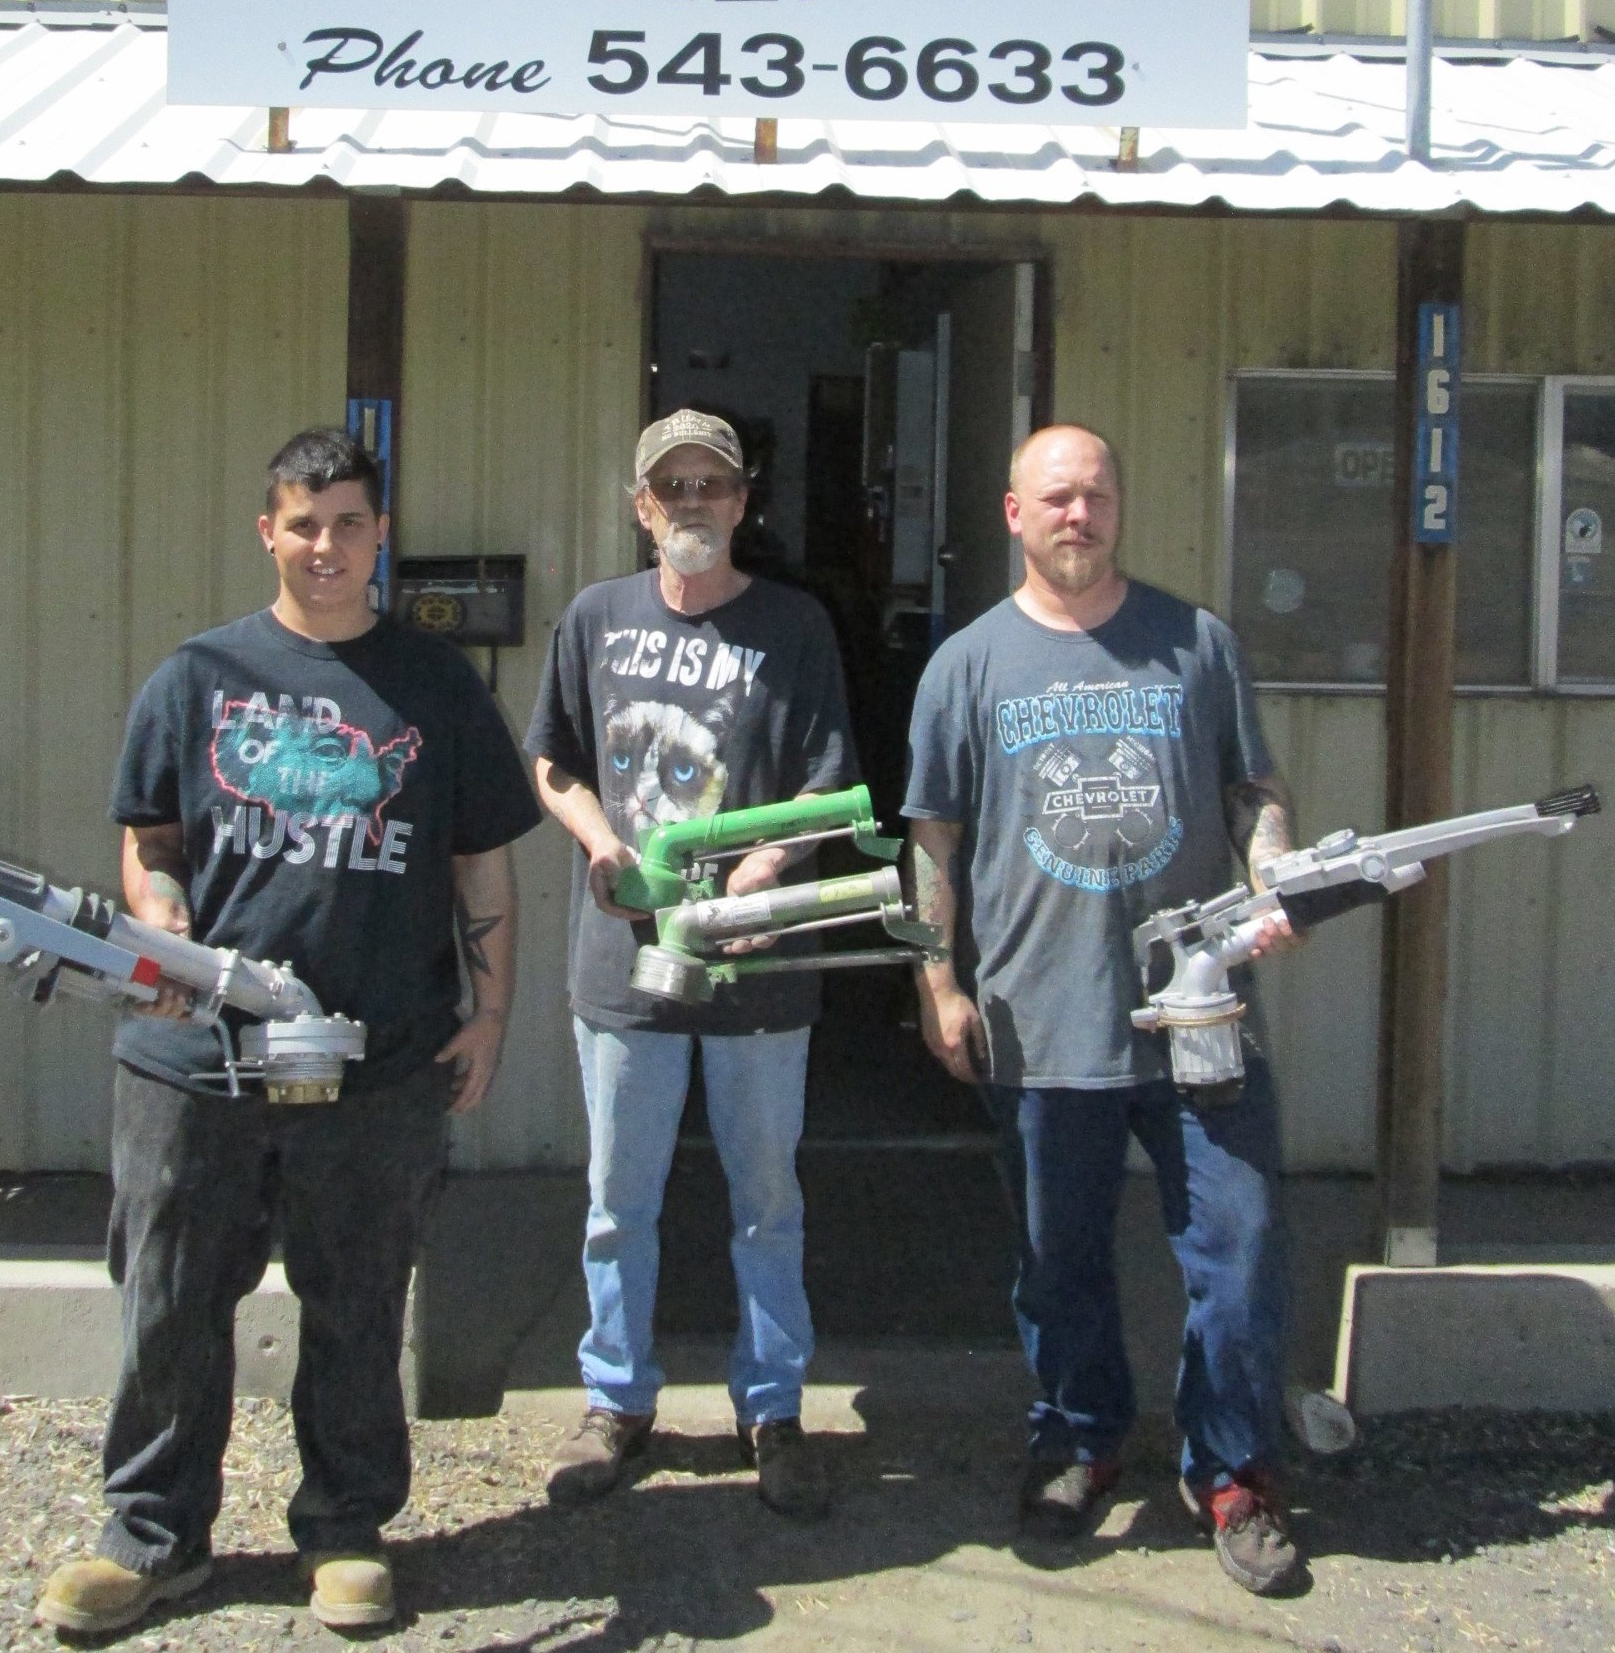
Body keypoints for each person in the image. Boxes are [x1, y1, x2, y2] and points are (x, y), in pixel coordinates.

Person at [35, 427, 539, 1636]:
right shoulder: (197, 677)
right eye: (304, 523)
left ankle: (346, 1528)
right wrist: (159, 928)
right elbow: (151, 841)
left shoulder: (437, 688)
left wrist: (491, 1013)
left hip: (377, 1062)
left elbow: (482, 863)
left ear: (380, 534)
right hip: (191, 1063)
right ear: (268, 531)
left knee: (358, 1296)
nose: (327, 545)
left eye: (349, 522)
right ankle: (152, 1534)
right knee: (169, 1296)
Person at [903, 424, 1305, 1597]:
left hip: (1201, 1019)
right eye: (1056, 497)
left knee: (1240, 1250)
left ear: (1120, 505)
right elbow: (933, 834)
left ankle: (1231, 1470)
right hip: (1040, 1018)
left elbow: (1253, 787)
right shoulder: (966, 664)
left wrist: (1275, 871)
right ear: (1013, 513)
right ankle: (1079, 1439)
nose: (1078, 514)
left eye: (1096, 494)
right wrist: (937, 981)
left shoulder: (1197, 642)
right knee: (1058, 1261)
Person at [525, 409, 855, 1520]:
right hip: (626, 968)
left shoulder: (795, 624)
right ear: (641, 506)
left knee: (768, 1199)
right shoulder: (594, 616)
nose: (692, 501)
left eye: (712, 483)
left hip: (760, 967)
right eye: (671, 485)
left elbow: (825, 780)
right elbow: (552, 760)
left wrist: (763, 868)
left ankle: (774, 1408)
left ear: (743, 500)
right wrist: (598, 841)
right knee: (618, 1200)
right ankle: (615, 1400)